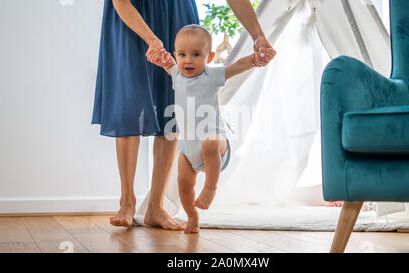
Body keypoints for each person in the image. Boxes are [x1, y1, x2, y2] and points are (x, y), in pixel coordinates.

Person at [91, 0, 276, 230]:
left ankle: (156, 208)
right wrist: (151, 39)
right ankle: (126, 201)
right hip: (129, 14)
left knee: (172, 107)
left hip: (176, 12)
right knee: (129, 105)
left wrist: (257, 35)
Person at [159, 25, 273, 233]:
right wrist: (160, 59)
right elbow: (167, 65)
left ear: (209, 57)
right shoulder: (176, 74)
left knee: (210, 143)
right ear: (176, 55)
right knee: (183, 184)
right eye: (182, 54)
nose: (188, 60)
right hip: (189, 148)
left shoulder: (210, 76)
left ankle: (210, 188)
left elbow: (236, 66)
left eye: (196, 54)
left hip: (217, 144)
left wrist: (254, 60)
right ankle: (192, 217)